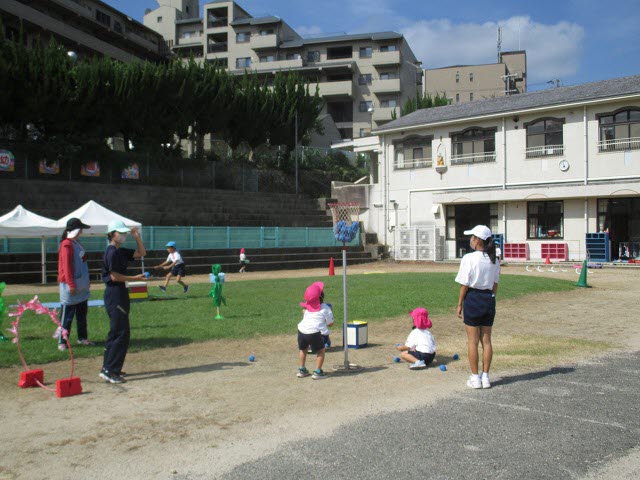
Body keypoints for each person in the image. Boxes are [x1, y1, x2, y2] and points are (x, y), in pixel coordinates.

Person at [99, 220, 147, 384]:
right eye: (121, 233)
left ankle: (108, 367)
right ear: (112, 234)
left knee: (116, 332)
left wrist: (136, 237)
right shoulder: (111, 252)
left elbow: (142, 253)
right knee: (121, 333)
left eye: (124, 233)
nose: (123, 235)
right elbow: (114, 276)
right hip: (115, 293)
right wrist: (135, 278)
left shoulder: (120, 251)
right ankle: (111, 370)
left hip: (119, 292)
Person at [455, 225, 500, 389]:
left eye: (472, 237)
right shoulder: (494, 259)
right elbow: (495, 284)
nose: (470, 240)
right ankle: (486, 377)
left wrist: (460, 303)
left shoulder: (469, 258)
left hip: (473, 298)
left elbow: (464, 284)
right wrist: (491, 297)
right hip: (488, 298)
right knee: (486, 340)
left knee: (472, 341)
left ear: (477, 240)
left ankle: (475, 377)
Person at [56, 218, 93, 351]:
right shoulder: (66, 244)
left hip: (81, 285)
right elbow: (66, 266)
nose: (82, 231)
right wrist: (71, 285)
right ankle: (62, 341)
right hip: (71, 286)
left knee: (82, 314)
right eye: (81, 228)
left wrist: (85, 282)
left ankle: (82, 337)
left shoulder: (77, 243)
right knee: (67, 316)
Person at [297, 281, 333, 379]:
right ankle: (317, 372)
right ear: (321, 296)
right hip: (314, 333)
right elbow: (330, 324)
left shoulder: (307, 306)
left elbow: (304, 312)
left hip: (301, 330)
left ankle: (301, 369)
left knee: (303, 349)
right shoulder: (325, 308)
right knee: (321, 350)